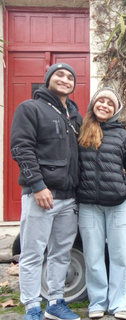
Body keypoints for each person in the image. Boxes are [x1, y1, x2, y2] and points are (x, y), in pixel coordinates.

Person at [10, 63, 82, 320]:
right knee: (32, 252)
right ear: (48, 79)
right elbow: (21, 148)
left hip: (69, 197)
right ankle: (31, 307)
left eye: (70, 77)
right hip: (41, 196)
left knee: (61, 253)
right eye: (59, 75)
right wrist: (38, 186)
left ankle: (55, 302)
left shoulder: (74, 115)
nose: (65, 79)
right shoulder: (30, 108)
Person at [76, 87, 126, 320]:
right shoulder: (81, 130)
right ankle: (97, 302)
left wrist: (125, 190)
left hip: (117, 205)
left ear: (116, 110)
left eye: (110, 103)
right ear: (93, 104)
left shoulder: (122, 135)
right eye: (100, 101)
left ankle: (120, 304)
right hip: (88, 205)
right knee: (93, 256)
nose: (104, 105)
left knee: (118, 255)